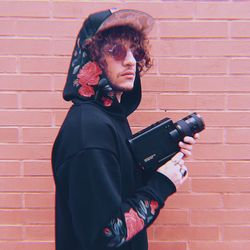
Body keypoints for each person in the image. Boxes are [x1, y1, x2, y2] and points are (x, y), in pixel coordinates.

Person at [51, 8, 199, 250]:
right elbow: (107, 234)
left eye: (135, 51)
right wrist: (161, 184)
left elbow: (120, 191)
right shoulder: (88, 130)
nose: (131, 60)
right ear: (92, 58)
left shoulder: (108, 118)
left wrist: (159, 167)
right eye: (116, 50)